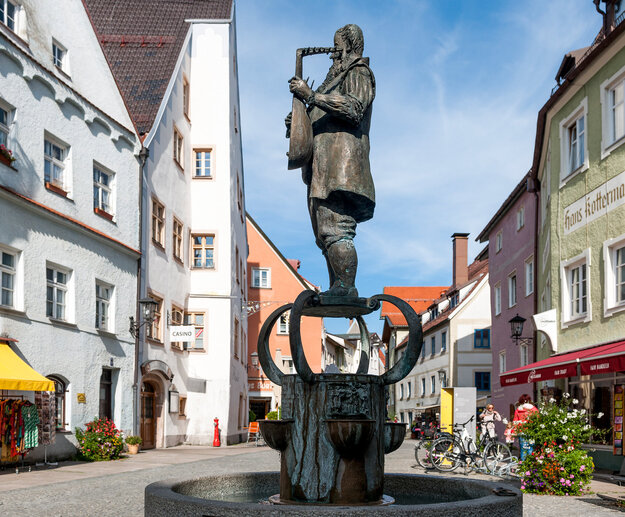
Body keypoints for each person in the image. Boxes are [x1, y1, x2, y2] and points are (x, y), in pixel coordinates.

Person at [287, 24, 375, 297]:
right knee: (325, 233)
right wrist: (300, 120)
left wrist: (312, 96)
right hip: (321, 167)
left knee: (337, 228)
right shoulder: (334, 79)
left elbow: (353, 108)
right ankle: (337, 287)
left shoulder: (359, 72)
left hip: (341, 166)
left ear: (348, 47)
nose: (331, 55)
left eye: (336, 48)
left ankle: (346, 288)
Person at [513, 394, 538, 460]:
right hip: (531, 431)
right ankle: (530, 466)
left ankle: (523, 466)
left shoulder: (518, 410)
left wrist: (515, 431)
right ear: (529, 400)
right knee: (531, 448)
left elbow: (515, 422)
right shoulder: (534, 409)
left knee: (523, 449)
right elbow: (538, 420)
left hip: (522, 432)